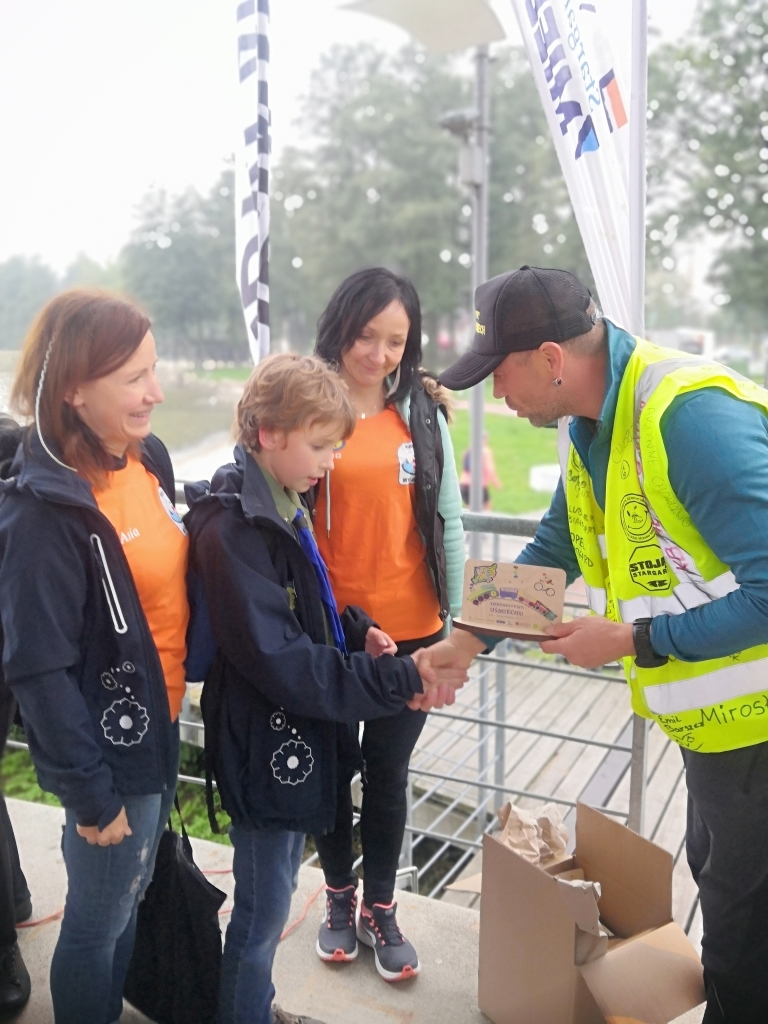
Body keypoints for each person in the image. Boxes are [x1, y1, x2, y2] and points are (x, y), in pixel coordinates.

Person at [435, 264, 768, 1024]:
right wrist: (467, 639)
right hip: (719, 730)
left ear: (551, 359)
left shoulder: (688, 419)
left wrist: (632, 639)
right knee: (728, 903)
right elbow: (555, 547)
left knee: (746, 937)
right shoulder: (591, 422)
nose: (497, 397)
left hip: (758, 733)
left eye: (500, 375)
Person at [185, 353, 467, 1024]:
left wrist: (356, 628)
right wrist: (401, 675)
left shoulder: (279, 500)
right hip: (262, 740)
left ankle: (253, 1004)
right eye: (319, 445)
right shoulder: (234, 528)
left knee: (274, 897)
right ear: (266, 431)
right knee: (260, 913)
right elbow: (281, 657)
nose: (330, 462)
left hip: (284, 733)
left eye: (336, 446)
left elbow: (303, 603)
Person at [0, 291, 186, 1024]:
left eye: (155, 369)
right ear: (73, 387)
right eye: (135, 377)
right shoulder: (41, 512)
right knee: (98, 919)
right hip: (109, 757)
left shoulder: (149, 460)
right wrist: (88, 791)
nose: (157, 391)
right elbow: (37, 667)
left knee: (131, 897)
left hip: (163, 721)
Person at [310, 267, 464, 981]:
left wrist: (456, 628)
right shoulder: (306, 405)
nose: (378, 354)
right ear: (340, 327)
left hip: (415, 632)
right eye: (366, 335)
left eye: (395, 340)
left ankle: (380, 904)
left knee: (389, 772)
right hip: (332, 635)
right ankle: (337, 897)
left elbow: (449, 522)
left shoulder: (424, 411)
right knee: (334, 769)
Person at [459, 432, 502, 510]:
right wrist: (497, 483)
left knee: (470, 509)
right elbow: (489, 469)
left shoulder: (468, 450)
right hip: (477, 485)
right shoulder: (485, 451)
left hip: (463, 485)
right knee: (487, 506)